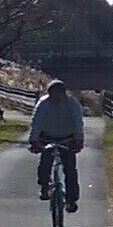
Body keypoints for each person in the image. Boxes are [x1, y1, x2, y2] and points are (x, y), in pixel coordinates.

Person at [26, 80, 85, 214]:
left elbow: (78, 123)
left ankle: (71, 199)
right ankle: (44, 186)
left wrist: (79, 140)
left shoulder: (72, 104)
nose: (56, 96)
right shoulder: (43, 103)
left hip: (67, 138)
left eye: (59, 93)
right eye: (53, 93)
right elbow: (36, 122)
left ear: (64, 93)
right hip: (47, 137)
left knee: (70, 169)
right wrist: (34, 141)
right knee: (45, 162)